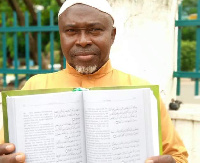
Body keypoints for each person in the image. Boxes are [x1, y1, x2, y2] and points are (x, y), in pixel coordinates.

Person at [0, 0, 188, 162]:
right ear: (61, 36)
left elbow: (178, 157)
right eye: (71, 31)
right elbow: (7, 151)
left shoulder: (141, 92)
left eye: (95, 30)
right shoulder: (36, 87)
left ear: (112, 35)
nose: (83, 41)